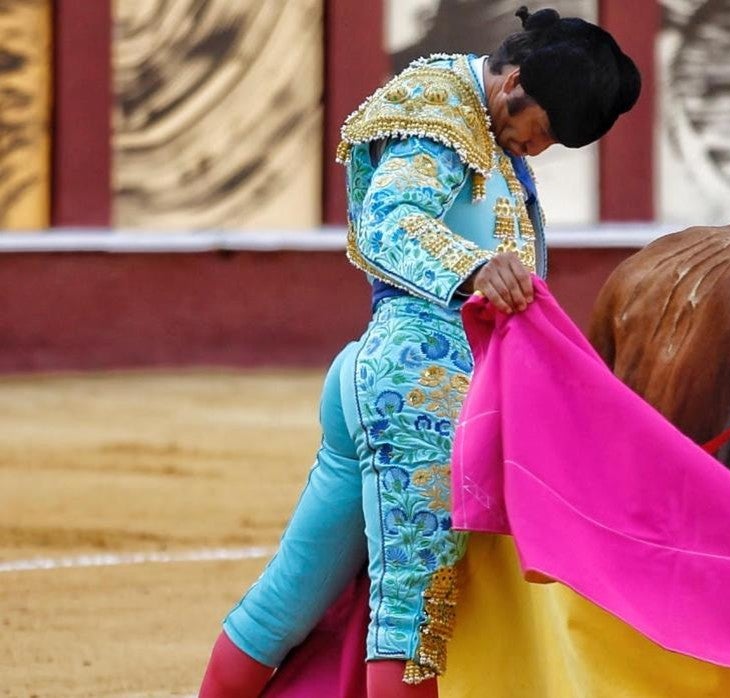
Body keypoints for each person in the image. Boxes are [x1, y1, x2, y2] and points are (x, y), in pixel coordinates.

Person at [198, 7, 640, 696]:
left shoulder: (483, 126)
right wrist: (473, 268)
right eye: (544, 130)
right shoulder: (438, 107)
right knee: (414, 615)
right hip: (415, 394)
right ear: (514, 81)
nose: (539, 147)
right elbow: (387, 222)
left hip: (407, 388)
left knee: (290, 602)